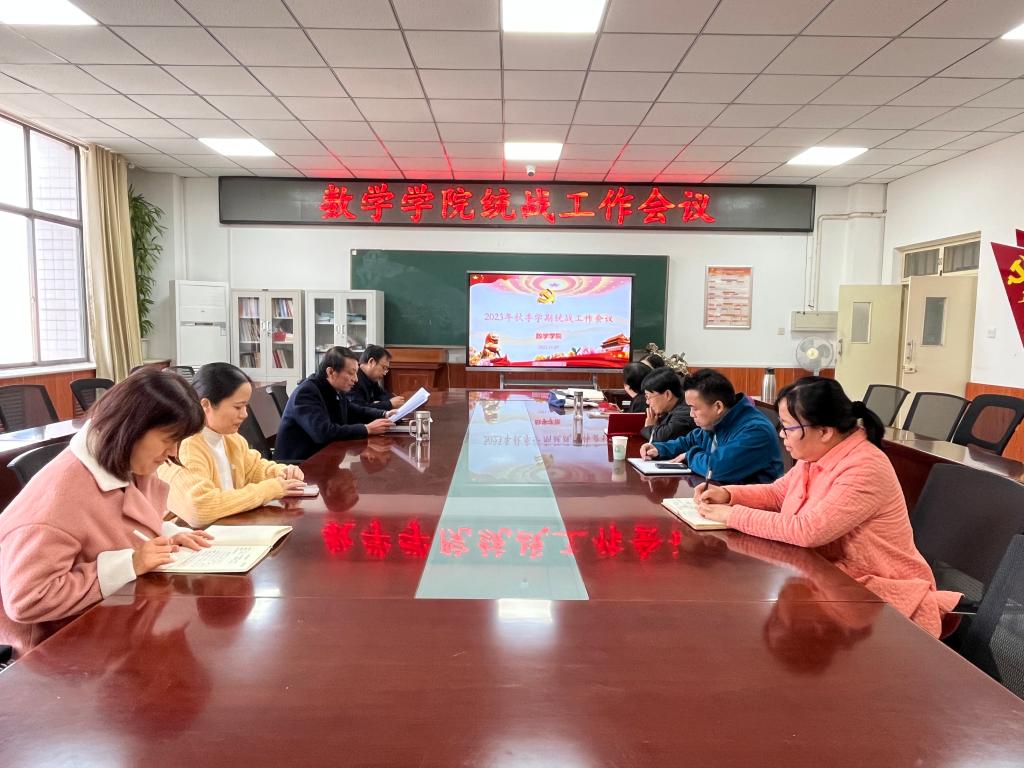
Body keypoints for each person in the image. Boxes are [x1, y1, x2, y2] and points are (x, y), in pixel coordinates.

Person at [693, 376, 960, 638]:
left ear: (824, 431)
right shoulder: (816, 455)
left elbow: (809, 531)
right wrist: (728, 494)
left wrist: (733, 515)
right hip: (828, 579)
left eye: (788, 427)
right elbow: (778, 494)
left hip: (878, 593)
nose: (781, 434)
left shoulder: (865, 466)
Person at [0, 368, 212, 634]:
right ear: (132, 428)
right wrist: (130, 564)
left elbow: (123, 523)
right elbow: (27, 598)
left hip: (116, 620)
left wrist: (166, 534)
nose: (172, 452)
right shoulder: (59, 500)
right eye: (168, 440)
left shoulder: (126, 459)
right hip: (61, 643)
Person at [158, 362, 307, 527]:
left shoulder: (231, 438)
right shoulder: (186, 446)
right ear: (205, 405)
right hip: (198, 536)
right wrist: (271, 488)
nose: (244, 414)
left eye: (245, 406)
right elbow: (200, 508)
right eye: (237, 407)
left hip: (229, 529)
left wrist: (282, 472)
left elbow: (253, 469)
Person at [639, 369, 783, 484]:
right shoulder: (718, 421)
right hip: (721, 496)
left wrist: (690, 455)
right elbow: (689, 441)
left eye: (694, 408)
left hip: (752, 506)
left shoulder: (756, 430)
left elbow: (717, 468)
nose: (691, 414)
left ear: (718, 406)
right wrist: (659, 449)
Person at [275, 346, 394, 461]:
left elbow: (354, 411)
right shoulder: (307, 392)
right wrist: (366, 429)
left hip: (321, 457)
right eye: (351, 373)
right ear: (331, 372)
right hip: (298, 464)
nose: (356, 379)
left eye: (356, 373)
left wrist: (384, 414)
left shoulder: (335, 389)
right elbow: (323, 433)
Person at [638, 367, 695, 443]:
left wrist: (649, 427)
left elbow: (663, 437)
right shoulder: (670, 408)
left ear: (667, 394)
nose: (647, 402)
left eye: (648, 397)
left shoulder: (686, 410)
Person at [349, 344, 405, 410]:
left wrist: (394, 400)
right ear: (371, 362)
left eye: (386, 369)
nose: (384, 373)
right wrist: (389, 404)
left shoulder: (371, 379)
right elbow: (359, 409)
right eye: (383, 368)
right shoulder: (353, 380)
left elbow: (381, 395)